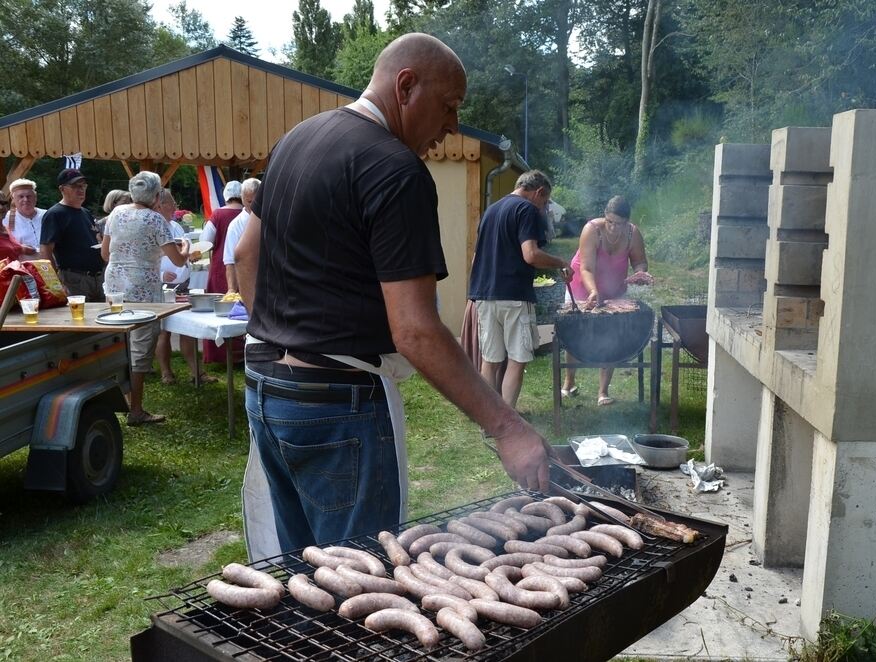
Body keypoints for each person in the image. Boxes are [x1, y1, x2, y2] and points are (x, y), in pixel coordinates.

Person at [233, 32, 550, 558]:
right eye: (448, 107)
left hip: (268, 389)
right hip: (340, 405)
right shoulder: (396, 170)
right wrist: (507, 428)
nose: (450, 127)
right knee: (365, 577)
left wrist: (281, 334)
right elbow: (415, 329)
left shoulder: (296, 139)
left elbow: (247, 252)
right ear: (406, 86)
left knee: (306, 575)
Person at [467, 170, 572, 408]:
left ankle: (490, 420)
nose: (543, 207)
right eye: (545, 202)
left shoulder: (490, 211)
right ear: (539, 192)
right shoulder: (526, 210)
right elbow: (531, 255)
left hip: (484, 295)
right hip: (513, 295)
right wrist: (561, 263)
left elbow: (476, 260)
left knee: (490, 360)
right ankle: (508, 421)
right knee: (517, 359)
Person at [101, 171, 191, 425]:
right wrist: (185, 246)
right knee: (140, 348)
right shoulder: (155, 220)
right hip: (143, 288)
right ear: (156, 195)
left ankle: (124, 399)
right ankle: (136, 410)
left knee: (119, 343)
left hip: (115, 286)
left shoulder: (115, 214)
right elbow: (177, 259)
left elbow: (105, 254)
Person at [561, 195, 650, 406]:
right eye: (610, 221)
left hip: (614, 287)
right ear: (604, 217)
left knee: (612, 334)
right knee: (573, 332)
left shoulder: (633, 234)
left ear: (627, 222)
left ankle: (603, 392)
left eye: (619, 223)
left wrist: (640, 273)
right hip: (583, 285)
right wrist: (593, 291)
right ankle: (569, 382)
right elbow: (586, 267)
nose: (613, 227)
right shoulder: (592, 230)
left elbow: (640, 261)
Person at [154, 188, 217, 386]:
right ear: (160, 205)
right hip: (162, 285)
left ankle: (196, 372)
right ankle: (166, 372)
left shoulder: (176, 226)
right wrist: (160, 274)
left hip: (182, 284)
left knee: (187, 327)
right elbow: (145, 258)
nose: (175, 207)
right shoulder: (153, 226)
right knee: (164, 330)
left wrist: (192, 255)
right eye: (172, 203)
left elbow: (184, 250)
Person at [39, 169, 105, 302]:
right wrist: (56, 283)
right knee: (80, 319)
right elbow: (45, 251)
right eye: (75, 186)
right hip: (74, 279)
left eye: (83, 186)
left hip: (98, 278)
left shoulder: (85, 212)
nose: (81, 190)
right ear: (62, 189)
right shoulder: (55, 214)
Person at [201, 180, 244, 364]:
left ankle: (219, 355)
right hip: (243, 265)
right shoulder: (249, 213)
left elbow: (206, 242)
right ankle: (241, 353)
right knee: (242, 309)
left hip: (221, 266)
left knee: (219, 310)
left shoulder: (217, 214)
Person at [222, 178, 260, 293]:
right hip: (248, 281)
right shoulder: (235, 225)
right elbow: (230, 261)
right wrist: (232, 289)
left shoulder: (272, 218)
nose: (253, 205)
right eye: (249, 201)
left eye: (257, 201)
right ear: (242, 199)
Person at [4, 178, 45, 255]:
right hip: (22, 264)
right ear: (13, 199)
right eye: (21, 196)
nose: (25, 199)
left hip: (50, 263)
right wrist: (19, 247)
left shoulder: (46, 215)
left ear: (35, 197)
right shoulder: (6, 219)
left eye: (29, 196)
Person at [0, 192, 36, 262]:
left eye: (3, 203)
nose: (1, 207)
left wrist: (21, 248)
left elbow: (7, 248)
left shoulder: (6, 228)